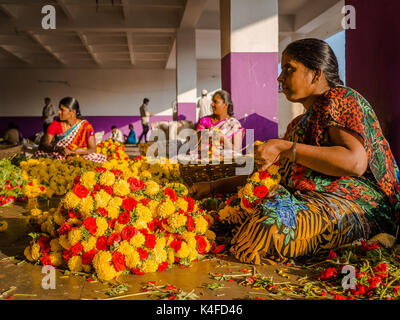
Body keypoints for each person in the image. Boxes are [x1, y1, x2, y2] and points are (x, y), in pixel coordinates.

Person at [189, 38, 400, 265]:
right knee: (227, 216)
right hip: (311, 199)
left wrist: (286, 147)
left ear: (316, 74)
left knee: (269, 228)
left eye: (289, 69)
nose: (280, 77)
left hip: (360, 206)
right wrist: (213, 187)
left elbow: (355, 162)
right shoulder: (299, 123)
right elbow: (267, 175)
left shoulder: (342, 98)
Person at [35, 97, 106, 163]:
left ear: (73, 112)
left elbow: (93, 150)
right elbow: (42, 145)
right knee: (39, 154)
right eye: (59, 109)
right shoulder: (55, 124)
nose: (58, 112)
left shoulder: (86, 126)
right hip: (60, 154)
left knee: (97, 157)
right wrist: (57, 148)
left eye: (62, 110)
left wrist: (81, 151)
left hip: (79, 156)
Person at [196, 90, 245, 158]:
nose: (212, 104)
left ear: (226, 105)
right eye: (212, 101)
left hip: (225, 162)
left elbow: (236, 150)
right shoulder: (204, 121)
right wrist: (204, 134)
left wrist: (223, 139)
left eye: (215, 102)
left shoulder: (233, 124)